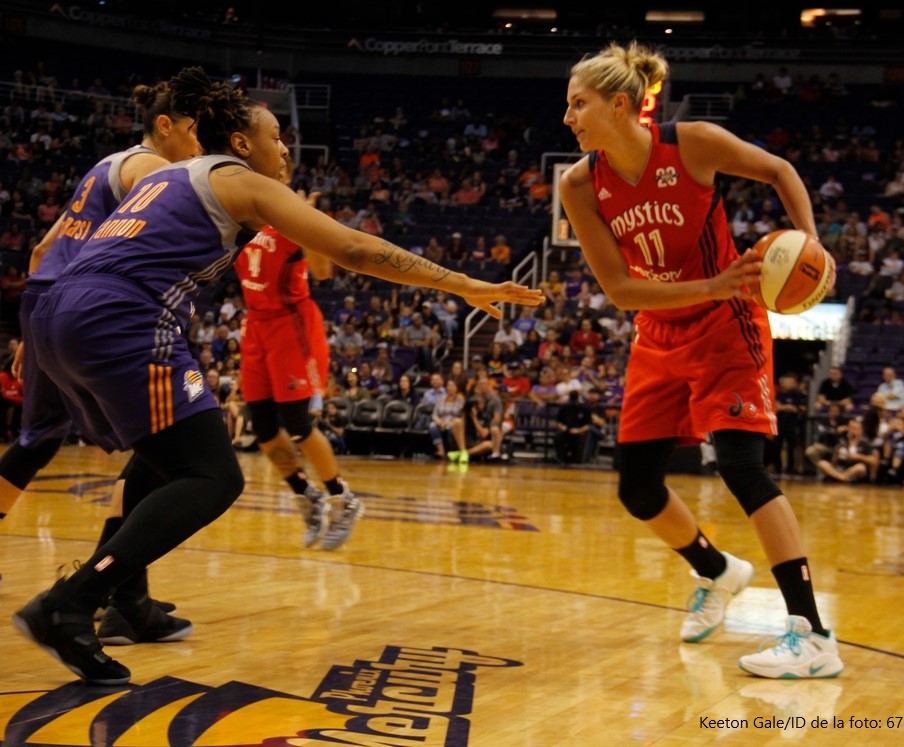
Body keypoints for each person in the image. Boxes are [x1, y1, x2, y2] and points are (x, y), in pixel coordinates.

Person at [13, 73, 543, 687]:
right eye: (277, 136)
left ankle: (126, 601)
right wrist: (465, 283)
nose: (287, 148)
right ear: (240, 142)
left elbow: (69, 246)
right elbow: (354, 250)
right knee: (211, 476)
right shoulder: (239, 181)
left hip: (57, 313)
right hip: (121, 317)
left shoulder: (160, 176)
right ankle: (72, 601)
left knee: (161, 461)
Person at [558, 41, 842, 679]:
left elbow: (781, 172)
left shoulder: (692, 145)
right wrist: (708, 284)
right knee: (637, 488)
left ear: (622, 104)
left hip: (726, 325)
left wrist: (811, 248)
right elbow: (621, 291)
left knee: (742, 467)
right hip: (658, 330)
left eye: (579, 103)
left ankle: (812, 632)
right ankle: (717, 571)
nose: (569, 117)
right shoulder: (579, 185)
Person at [0, 70, 206, 638]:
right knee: (166, 446)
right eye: (192, 132)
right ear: (164, 127)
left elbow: (43, 248)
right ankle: (115, 593)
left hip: (50, 301)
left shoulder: (103, 167)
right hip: (94, 311)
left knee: (38, 442)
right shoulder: (152, 170)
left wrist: (32, 332)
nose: (198, 146)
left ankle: (125, 593)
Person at [234, 160, 363, 552]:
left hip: (292, 325)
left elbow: (323, 272)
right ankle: (306, 495)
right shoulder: (239, 211)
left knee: (298, 423)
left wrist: (305, 221)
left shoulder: (296, 213)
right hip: (255, 325)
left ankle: (343, 499)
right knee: (262, 427)